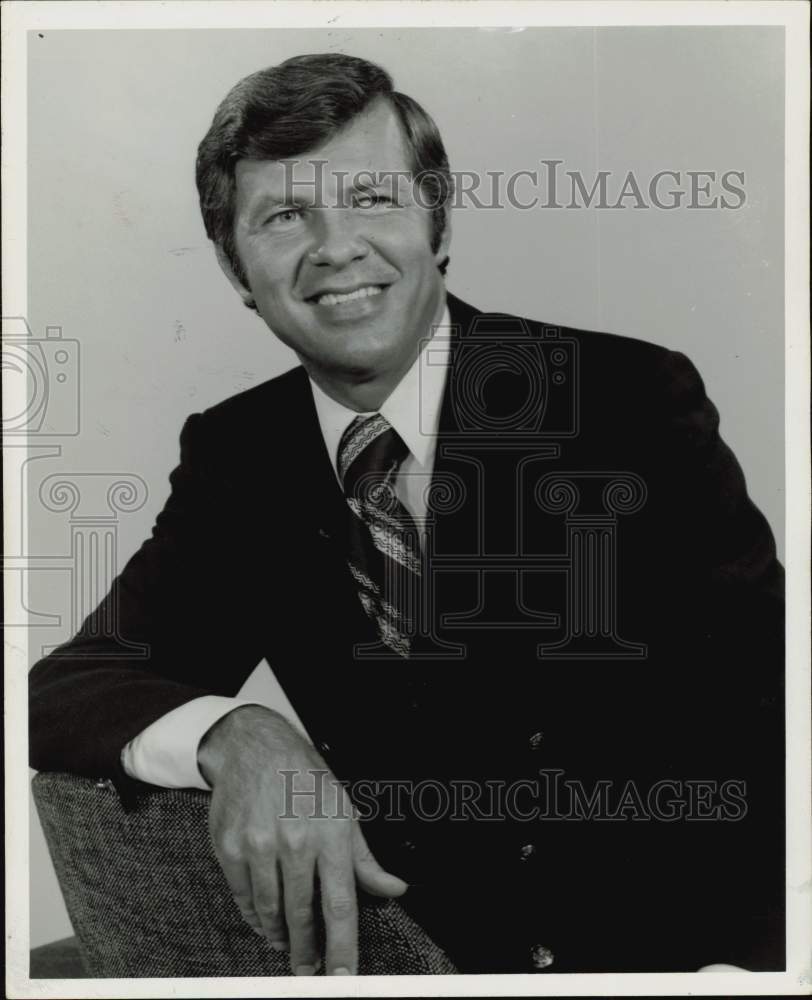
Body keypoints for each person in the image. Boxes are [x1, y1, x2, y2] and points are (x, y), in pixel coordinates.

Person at [29, 53, 785, 976]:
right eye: (282, 218)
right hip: (416, 962)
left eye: (372, 199)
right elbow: (69, 684)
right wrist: (239, 733)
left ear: (439, 221)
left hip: (680, 954)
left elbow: (771, 703)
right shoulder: (241, 456)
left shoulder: (625, 398)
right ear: (236, 268)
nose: (335, 247)